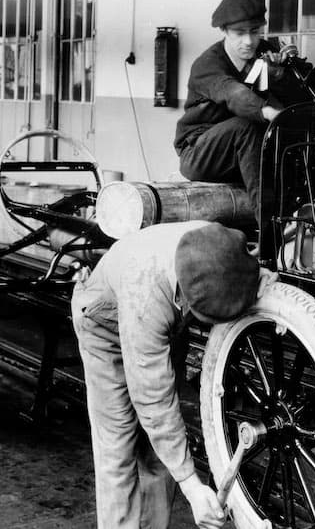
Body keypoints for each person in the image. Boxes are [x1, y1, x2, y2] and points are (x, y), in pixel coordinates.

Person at [71, 220, 272, 529]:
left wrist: (264, 286)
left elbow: (251, 274)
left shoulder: (219, 246)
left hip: (166, 324)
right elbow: (153, 403)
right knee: (118, 447)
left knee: (158, 452)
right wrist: (192, 488)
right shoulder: (146, 294)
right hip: (103, 326)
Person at [175, 0, 309, 215]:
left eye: (255, 32)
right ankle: (270, 228)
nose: (249, 41)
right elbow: (232, 92)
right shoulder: (208, 64)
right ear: (224, 31)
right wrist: (266, 111)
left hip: (243, 155)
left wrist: (280, 76)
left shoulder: (265, 52)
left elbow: (301, 98)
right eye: (239, 33)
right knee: (245, 127)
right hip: (199, 152)